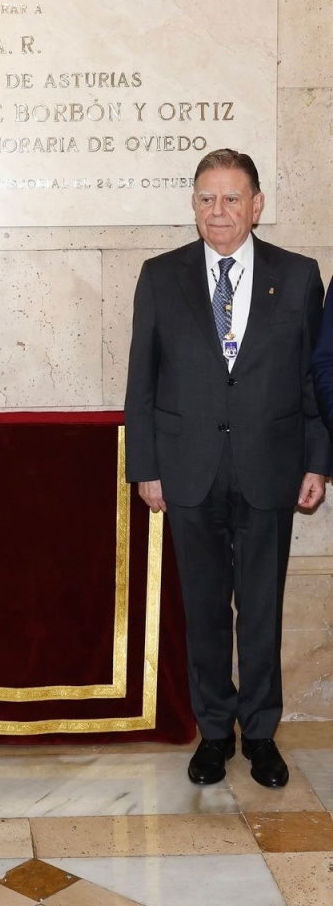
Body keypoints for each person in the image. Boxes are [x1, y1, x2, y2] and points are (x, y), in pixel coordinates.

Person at [124, 148, 329, 789]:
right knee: (205, 607)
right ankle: (215, 732)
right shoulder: (161, 276)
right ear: (193, 204)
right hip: (188, 471)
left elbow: (315, 380)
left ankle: (261, 733)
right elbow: (143, 381)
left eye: (232, 198)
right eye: (207, 198)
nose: (219, 211)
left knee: (262, 607)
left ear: (257, 205)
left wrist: (319, 462)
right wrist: (146, 466)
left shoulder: (298, 277)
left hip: (272, 467)